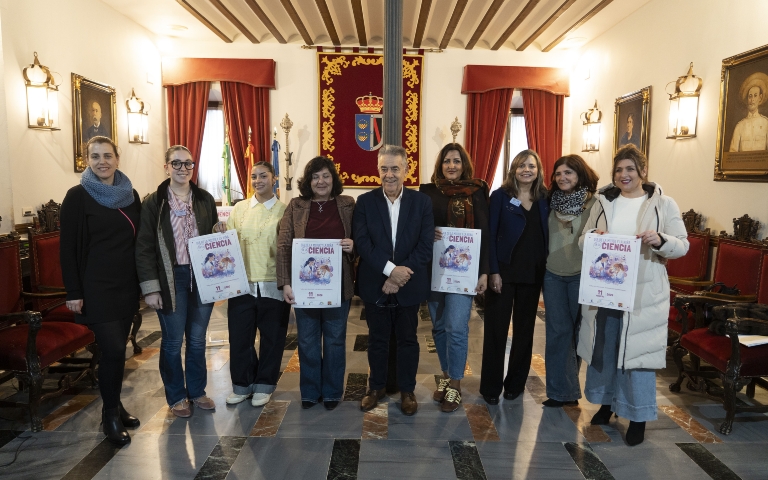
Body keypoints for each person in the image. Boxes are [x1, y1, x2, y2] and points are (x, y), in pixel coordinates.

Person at [578, 144, 688, 446]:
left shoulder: (663, 204)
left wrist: (660, 239)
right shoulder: (603, 202)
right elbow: (583, 241)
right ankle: (606, 403)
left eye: (630, 168)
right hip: (607, 288)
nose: (623, 175)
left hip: (643, 292)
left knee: (637, 355)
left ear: (643, 170)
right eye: (618, 169)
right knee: (605, 349)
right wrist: (593, 238)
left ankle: (638, 416)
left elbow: (682, 245)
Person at [60, 136, 141, 445]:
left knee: (117, 353)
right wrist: (73, 292)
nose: (102, 161)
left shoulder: (130, 195)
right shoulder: (77, 196)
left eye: (107, 155)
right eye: (95, 156)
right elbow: (68, 250)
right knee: (114, 350)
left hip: (126, 285)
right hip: (96, 287)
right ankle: (109, 415)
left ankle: (116, 404)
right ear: (87, 160)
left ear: (117, 159)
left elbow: (139, 240)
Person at [135, 145, 223, 418]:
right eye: (176, 163)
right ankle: (176, 396)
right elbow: (144, 246)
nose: (183, 168)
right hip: (170, 278)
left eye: (188, 164)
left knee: (197, 340)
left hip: (201, 277)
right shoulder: (154, 202)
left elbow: (214, 237)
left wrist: (220, 232)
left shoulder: (205, 199)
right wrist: (151, 288)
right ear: (166, 167)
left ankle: (196, 391)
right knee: (173, 341)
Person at [354, 144, 434, 416]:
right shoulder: (365, 202)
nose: (389, 174)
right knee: (376, 339)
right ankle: (375, 387)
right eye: (384, 168)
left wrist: (399, 276)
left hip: (409, 284)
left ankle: (407, 390)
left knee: (408, 340)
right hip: (375, 282)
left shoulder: (422, 202)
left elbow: (425, 245)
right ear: (378, 170)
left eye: (395, 169)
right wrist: (391, 270)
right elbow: (363, 243)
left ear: (406, 170)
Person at [277, 156, 356, 411]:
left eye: (325, 176)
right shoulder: (296, 205)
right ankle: (310, 391)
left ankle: (332, 391)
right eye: (315, 177)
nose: (321, 181)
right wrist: (285, 283)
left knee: (335, 340)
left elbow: (362, 237)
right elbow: (284, 245)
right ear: (308, 181)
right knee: (307, 340)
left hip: (337, 286)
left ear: (333, 179)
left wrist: (353, 245)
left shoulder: (347, 204)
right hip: (304, 287)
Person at [419, 143, 489, 412]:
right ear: (440, 164)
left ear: (464, 165)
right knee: (438, 327)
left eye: (456, 161)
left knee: (456, 327)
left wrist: (484, 271)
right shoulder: (428, 191)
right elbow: (418, 226)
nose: (451, 166)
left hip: (465, 272)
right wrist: (428, 232)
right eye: (447, 161)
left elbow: (485, 232)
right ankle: (446, 376)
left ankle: (456, 385)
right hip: (435, 271)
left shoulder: (478, 191)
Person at [480, 149, 549, 405]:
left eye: (531, 165)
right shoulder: (500, 196)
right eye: (521, 165)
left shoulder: (545, 198)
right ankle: (490, 387)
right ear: (513, 170)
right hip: (503, 274)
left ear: (538, 170)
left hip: (533, 274)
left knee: (524, 332)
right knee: (495, 331)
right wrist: (493, 270)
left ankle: (515, 384)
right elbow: (490, 234)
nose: (526, 170)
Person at [223, 161, 290, 407]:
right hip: (242, 285)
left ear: (274, 179)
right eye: (253, 176)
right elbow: (228, 243)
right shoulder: (239, 208)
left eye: (263, 176)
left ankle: (264, 385)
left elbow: (288, 248)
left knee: (272, 339)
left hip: (272, 284)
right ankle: (242, 385)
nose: (257, 181)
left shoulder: (285, 211)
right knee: (240, 339)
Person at [542, 154, 599, 408]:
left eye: (568, 173)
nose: (562, 177)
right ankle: (559, 392)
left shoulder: (596, 204)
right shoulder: (548, 202)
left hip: (582, 276)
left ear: (580, 174)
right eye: (558, 173)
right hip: (553, 275)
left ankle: (568, 390)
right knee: (558, 332)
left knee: (577, 333)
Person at [729, 73, 768, 151]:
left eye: (755, 95)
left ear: (760, 98)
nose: (752, 100)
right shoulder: (739, 126)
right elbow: (733, 153)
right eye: (750, 96)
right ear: (747, 99)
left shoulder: (766, 123)